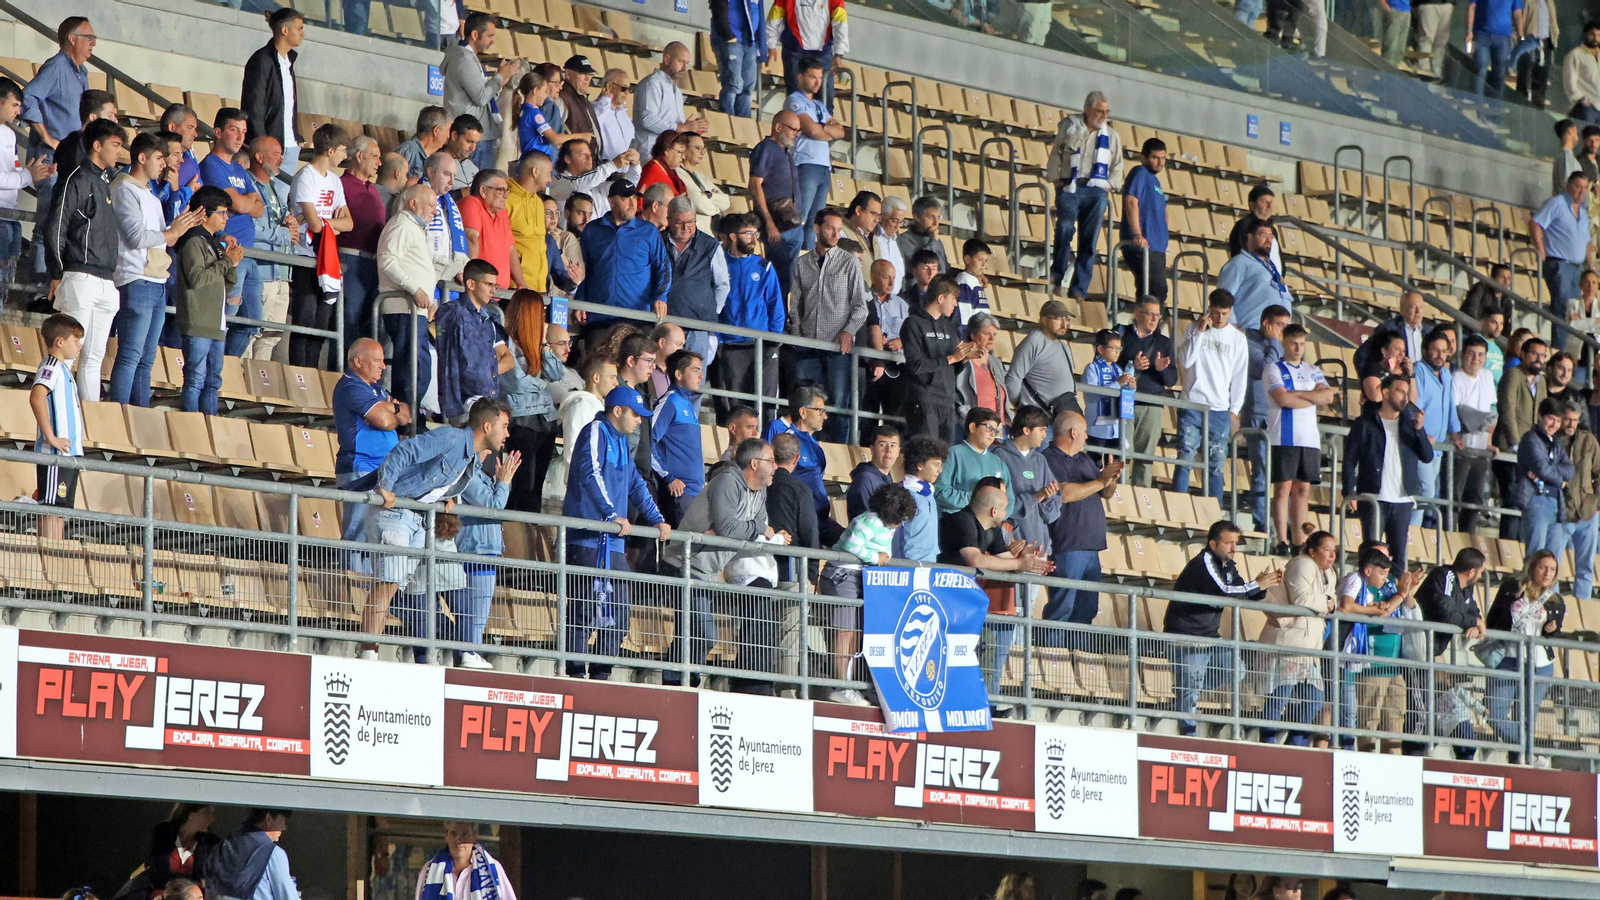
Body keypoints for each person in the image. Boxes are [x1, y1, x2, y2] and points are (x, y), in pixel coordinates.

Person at [369, 398, 514, 659]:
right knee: (388, 585)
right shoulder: (452, 438)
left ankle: (370, 651)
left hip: (417, 518)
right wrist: (386, 485)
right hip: (396, 511)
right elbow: (405, 452)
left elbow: (436, 478)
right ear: (488, 425)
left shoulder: (472, 458)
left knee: (398, 587)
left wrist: (446, 494)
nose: (507, 433)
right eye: (504, 426)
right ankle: (369, 653)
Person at [563, 385, 671, 678]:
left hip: (611, 543)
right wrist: (611, 514)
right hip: (587, 538)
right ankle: (574, 672)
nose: (639, 421)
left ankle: (601, 674)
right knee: (583, 612)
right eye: (636, 414)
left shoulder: (622, 441)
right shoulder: (595, 430)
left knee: (619, 616)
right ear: (618, 411)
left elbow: (636, 483)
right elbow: (590, 472)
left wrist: (657, 519)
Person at [664, 436, 788, 690]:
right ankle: (678, 684)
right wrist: (753, 528)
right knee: (703, 633)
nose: (776, 466)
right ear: (754, 463)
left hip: (707, 569)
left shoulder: (761, 491)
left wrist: (748, 529)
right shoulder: (727, 480)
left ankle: (680, 683)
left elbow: (749, 529)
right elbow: (732, 527)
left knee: (696, 633)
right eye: (772, 461)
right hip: (684, 562)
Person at [937, 477, 1051, 705]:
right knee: (982, 643)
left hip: (970, 602)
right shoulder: (960, 520)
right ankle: (973, 701)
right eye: (1005, 509)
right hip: (949, 600)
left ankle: (984, 702)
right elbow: (975, 559)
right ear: (993, 510)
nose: (1007, 514)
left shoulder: (992, 529)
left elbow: (1006, 560)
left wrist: (1027, 561)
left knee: (988, 644)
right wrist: (1019, 565)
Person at [109, 132, 201, 407]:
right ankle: (119, 414)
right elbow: (136, 237)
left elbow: (164, 235)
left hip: (157, 279)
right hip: (136, 277)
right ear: (141, 157)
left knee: (146, 358)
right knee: (130, 354)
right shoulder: (124, 189)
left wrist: (179, 228)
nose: (165, 165)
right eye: (159, 158)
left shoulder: (149, 193)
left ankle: (138, 414)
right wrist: (172, 232)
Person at [1167, 521, 1281, 736]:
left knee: (1235, 668)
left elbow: (1241, 591)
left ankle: (1190, 688)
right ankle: (1187, 734)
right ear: (1213, 543)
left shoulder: (1228, 565)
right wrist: (1257, 585)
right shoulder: (1204, 562)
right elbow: (1224, 592)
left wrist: (1264, 585)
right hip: (1186, 635)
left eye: (1236, 543)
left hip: (1209, 635)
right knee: (1190, 687)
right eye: (1228, 543)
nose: (1233, 548)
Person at [43, 118, 123, 402]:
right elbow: (55, 225)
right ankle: (57, 413)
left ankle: (87, 420)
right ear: (97, 145)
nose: (119, 152)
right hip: (80, 275)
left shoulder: (105, 182)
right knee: (67, 355)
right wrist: (57, 272)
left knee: (93, 358)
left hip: (105, 279)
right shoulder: (76, 178)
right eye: (115, 145)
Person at [821, 483, 919, 705]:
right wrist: (875, 558)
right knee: (844, 632)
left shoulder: (888, 526)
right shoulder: (868, 521)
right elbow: (853, 546)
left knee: (855, 633)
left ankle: (849, 683)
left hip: (861, 579)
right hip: (842, 576)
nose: (901, 522)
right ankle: (841, 685)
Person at [1038, 409, 1121, 646]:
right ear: (1073, 432)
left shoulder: (1083, 459)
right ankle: (1051, 659)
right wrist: (1100, 481)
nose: (1087, 437)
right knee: (1061, 608)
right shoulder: (1048, 459)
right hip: (1067, 546)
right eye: (1084, 432)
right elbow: (1063, 493)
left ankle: (1077, 664)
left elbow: (1104, 491)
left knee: (1086, 611)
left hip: (1092, 548)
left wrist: (1110, 479)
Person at [1343, 375, 1435, 572]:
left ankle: (1395, 599)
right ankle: (1369, 597)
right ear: (1385, 393)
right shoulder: (1364, 423)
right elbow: (1350, 460)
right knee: (1372, 553)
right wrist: (1348, 492)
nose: (1405, 397)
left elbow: (1427, 456)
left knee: (1399, 558)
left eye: (1407, 393)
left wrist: (1419, 430)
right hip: (1373, 496)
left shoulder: (1409, 425)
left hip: (1402, 499)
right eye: (1400, 391)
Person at [791, 207, 868, 441]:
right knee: (804, 403)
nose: (836, 234)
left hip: (837, 348)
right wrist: (795, 335)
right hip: (807, 347)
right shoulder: (801, 263)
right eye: (830, 228)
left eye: (839, 230)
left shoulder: (849, 263)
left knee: (838, 406)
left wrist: (848, 332)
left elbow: (860, 307)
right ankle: (805, 448)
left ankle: (839, 451)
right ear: (816, 229)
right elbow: (795, 304)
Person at [334, 339, 408, 572]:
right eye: (377, 361)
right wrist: (387, 412)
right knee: (357, 533)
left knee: (375, 533)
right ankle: (353, 586)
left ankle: (367, 589)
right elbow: (386, 423)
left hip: (384, 471)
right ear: (358, 361)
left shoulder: (375, 389)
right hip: (361, 467)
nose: (383, 366)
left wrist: (391, 408)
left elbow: (406, 415)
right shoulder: (350, 386)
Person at [1484, 550, 1563, 763]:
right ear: (1532, 567)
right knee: (1494, 712)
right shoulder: (1511, 589)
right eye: (1542, 567)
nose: (1547, 573)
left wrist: (1550, 629)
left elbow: (1555, 635)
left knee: (1527, 716)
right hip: (1509, 658)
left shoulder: (1556, 600)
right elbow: (1493, 620)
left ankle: (1519, 759)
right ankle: (1530, 751)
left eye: (1552, 570)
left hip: (1540, 664)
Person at [199, 109, 265, 361]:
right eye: (234, 130)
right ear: (218, 132)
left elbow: (259, 207)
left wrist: (243, 201)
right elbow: (237, 204)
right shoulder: (210, 165)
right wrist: (244, 202)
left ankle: (225, 365)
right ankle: (213, 365)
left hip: (249, 254)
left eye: (244, 132)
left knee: (252, 323)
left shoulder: (239, 170)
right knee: (223, 318)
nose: (240, 137)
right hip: (228, 254)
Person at [1258, 532, 1335, 746]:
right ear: (1312, 551)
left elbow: (1333, 601)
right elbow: (1301, 599)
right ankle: (1268, 742)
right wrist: (1327, 602)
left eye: (1334, 550)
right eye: (1326, 549)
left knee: (1315, 698)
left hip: (1309, 647)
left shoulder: (1328, 573)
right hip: (1289, 642)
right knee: (1279, 696)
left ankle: (1296, 743)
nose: (1332, 555)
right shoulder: (1302, 564)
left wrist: (1329, 602)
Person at [288, 123, 353, 368]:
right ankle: (299, 377)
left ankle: (313, 376)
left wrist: (324, 221)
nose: (345, 156)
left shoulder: (335, 182)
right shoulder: (305, 178)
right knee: (304, 321)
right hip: (306, 255)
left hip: (328, 258)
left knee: (321, 325)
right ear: (329, 151)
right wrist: (327, 223)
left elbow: (348, 223)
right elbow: (313, 226)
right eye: (343, 150)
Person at [1264, 322, 1334, 552]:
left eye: (1302, 344)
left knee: (1303, 491)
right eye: (1294, 343)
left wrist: (1300, 395)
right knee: (1283, 489)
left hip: (1309, 438)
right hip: (1284, 436)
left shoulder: (1312, 370)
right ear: (1284, 341)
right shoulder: (1274, 369)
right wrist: (1312, 397)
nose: (1298, 348)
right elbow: (1283, 399)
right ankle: (1282, 540)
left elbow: (1328, 397)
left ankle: (1299, 540)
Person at [1044, 91, 1120, 299]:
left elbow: (1117, 167)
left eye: (1106, 112)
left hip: (1096, 190)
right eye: (1099, 111)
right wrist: (1056, 180)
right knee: (1065, 228)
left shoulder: (1112, 136)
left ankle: (1079, 288)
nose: (1103, 115)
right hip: (1070, 186)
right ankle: (1056, 273)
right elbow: (1055, 153)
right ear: (1087, 110)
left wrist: (1108, 186)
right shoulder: (1069, 126)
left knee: (1089, 241)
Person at [174, 187, 243, 416]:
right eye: (222, 213)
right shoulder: (194, 242)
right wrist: (225, 264)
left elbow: (224, 285)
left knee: (213, 382)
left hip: (216, 323)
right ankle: (193, 431)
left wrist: (231, 264)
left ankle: (210, 428)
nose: (226, 218)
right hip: (199, 322)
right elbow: (197, 279)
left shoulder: (212, 242)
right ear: (205, 213)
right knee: (195, 380)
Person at [497, 295, 566, 511]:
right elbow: (515, 381)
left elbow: (556, 374)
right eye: (540, 312)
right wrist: (541, 385)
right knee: (523, 483)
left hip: (545, 420)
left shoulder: (538, 343)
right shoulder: (505, 340)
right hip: (520, 419)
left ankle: (530, 536)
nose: (543, 316)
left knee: (537, 486)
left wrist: (545, 342)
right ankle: (513, 533)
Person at [1176, 290, 1248, 497]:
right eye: (1215, 313)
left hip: (1219, 408)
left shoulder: (1238, 339)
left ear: (1230, 312)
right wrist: (1200, 331)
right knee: (1185, 456)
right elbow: (1186, 361)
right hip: (1192, 402)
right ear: (1209, 309)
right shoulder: (1193, 328)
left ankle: (1215, 510)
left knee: (1216, 463)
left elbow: (1239, 376)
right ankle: (1178, 501)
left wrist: (1233, 410)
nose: (1218, 319)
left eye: (1224, 314)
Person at [713, 213, 785, 416]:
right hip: (731, 343)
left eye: (756, 233)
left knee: (765, 402)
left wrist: (774, 338)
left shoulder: (764, 267)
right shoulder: (719, 265)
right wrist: (718, 339)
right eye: (748, 233)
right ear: (733, 236)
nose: (754, 239)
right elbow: (714, 306)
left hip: (762, 343)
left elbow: (775, 305)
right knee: (736, 403)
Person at [578, 179, 672, 323]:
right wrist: (580, 301)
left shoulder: (649, 231)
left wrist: (660, 297)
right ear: (611, 202)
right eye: (625, 198)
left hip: (638, 318)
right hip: (598, 317)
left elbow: (663, 269)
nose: (632, 203)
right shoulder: (592, 230)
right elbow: (584, 269)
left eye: (634, 198)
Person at [442, 13, 520, 172]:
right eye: (489, 36)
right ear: (475, 34)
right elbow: (481, 97)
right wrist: (499, 77)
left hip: (478, 133)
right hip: (472, 136)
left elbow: (484, 95)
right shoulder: (464, 59)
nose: (492, 41)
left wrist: (499, 82)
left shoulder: (468, 57)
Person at [30, 314, 83, 541]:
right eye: (75, 340)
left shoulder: (63, 369)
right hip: (54, 453)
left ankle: (56, 557)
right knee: (51, 507)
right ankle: (48, 556)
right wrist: (50, 436)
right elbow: (37, 397)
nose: (79, 345)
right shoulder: (51, 366)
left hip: (68, 452)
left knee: (60, 508)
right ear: (60, 341)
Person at [436, 259, 510, 425]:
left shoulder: (488, 318)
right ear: (470, 284)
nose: (493, 290)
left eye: (495, 286)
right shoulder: (451, 312)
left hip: (490, 399)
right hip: (464, 402)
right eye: (489, 284)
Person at [244, 136, 298, 360]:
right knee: (250, 333)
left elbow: (285, 221)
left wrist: (292, 224)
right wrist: (284, 234)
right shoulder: (248, 184)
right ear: (259, 157)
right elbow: (251, 227)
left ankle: (259, 385)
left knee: (271, 337)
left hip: (282, 273)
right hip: (261, 272)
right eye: (276, 154)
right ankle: (240, 385)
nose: (281, 159)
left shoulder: (275, 188)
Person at [900, 273, 971, 443]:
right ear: (940, 298)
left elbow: (953, 368)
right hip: (924, 399)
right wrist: (952, 358)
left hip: (947, 400)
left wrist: (965, 358)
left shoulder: (949, 327)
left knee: (944, 459)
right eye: (953, 298)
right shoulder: (913, 323)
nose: (955, 304)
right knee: (926, 454)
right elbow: (914, 365)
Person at [784, 57, 844, 249]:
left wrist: (821, 130)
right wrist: (825, 130)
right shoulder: (794, 100)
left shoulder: (819, 105)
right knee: (800, 216)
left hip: (823, 166)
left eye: (819, 78)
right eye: (812, 77)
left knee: (815, 222)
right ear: (800, 77)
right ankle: (793, 258)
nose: (818, 82)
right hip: (806, 163)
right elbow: (811, 130)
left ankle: (808, 259)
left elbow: (841, 132)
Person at [1531, 172, 1594, 351]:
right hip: (1559, 263)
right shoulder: (1557, 203)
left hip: (1577, 268)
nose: (1581, 191)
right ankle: (1559, 350)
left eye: (1584, 187)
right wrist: (1541, 250)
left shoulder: (1583, 212)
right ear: (1568, 186)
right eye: (1577, 186)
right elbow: (1535, 223)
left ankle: (1571, 353)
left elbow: (1586, 242)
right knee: (1563, 308)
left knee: (1576, 311)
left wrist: (1590, 266)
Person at [1117, 297, 1176, 487]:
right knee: (1122, 454)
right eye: (1150, 314)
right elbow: (1105, 363)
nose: (1154, 319)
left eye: (1157, 315)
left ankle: (1141, 499)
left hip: (1151, 406)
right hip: (1123, 401)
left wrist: (1161, 369)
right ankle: (1119, 494)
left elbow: (1171, 379)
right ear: (1136, 313)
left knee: (1145, 459)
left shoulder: (1164, 343)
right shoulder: (1120, 334)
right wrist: (1131, 365)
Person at [665, 195, 730, 362]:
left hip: (698, 327)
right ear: (669, 220)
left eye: (691, 222)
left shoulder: (710, 245)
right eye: (680, 223)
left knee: (693, 377)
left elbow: (723, 285)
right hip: (665, 324)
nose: (686, 227)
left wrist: (710, 311)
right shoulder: (658, 241)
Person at [0, 78, 52, 285]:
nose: (18, 112)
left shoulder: (9, 134)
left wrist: (35, 172)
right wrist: (27, 175)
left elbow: (10, 175)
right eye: (14, 105)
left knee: (6, 279)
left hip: (10, 215)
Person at [1496, 336, 1549, 538]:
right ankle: (1508, 549)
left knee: (1525, 505)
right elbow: (1507, 412)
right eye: (1534, 354)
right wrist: (1517, 445)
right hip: (1510, 450)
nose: (1539, 359)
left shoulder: (1541, 381)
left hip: (1530, 454)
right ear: (1523, 354)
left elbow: (1541, 417)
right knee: (1511, 501)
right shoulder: (1512, 375)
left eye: (1543, 355)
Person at [337, 135, 387, 350]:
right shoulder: (340, 185)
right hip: (349, 260)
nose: (379, 163)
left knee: (370, 323)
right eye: (375, 156)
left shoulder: (373, 189)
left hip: (372, 264)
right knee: (351, 321)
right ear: (359, 156)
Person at [1243, 305, 1288, 536]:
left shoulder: (1282, 345)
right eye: (1280, 325)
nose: (1283, 331)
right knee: (1261, 469)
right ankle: (1262, 523)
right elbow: (1264, 368)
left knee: (1284, 474)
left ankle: (1284, 525)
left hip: (1279, 415)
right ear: (1266, 323)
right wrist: (1274, 343)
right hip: (1256, 413)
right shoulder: (1248, 341)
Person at [748, 111, 804, 293]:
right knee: (778, 277)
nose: (796, 134)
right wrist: (769, 223)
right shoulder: (765, 147)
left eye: (798, 130)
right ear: (778, 127)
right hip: (777, 226)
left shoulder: (786, 152)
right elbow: (755, 186)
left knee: (788, 279)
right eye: (793, 129)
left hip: (792, 224)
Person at [1411, 328, 1461, 527]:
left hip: (1438, 446)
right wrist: (1422, 434)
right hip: (1421, 443)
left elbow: (1450, 405)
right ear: (1424, 351)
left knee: (1429, 495)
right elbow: (1416, 406)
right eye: (1435, 350)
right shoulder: (1418, 370)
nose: (1440, 355)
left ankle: (1417, 534)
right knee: (1426, 491)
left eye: (1444, 351)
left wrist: (1455, 433)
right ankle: (1411, 533)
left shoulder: (1446, 374)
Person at [240, 8, 303, 165]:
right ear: (284, 30)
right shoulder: (262, 60)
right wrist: (264, 142)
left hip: (290, 147)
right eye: (300, 29)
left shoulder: (289, 61)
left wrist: (296, 136)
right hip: (269, 148)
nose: (303, 33)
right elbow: (254, 106)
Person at [114, 805, 218, 900]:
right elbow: (158, 870)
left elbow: (203, 880)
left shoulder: (210, 842)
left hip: (189, 895)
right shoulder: (163, 832)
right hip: (159, 893)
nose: (212, 819)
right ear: (191, 814)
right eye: (206, 813)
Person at [650, 349, 706, 525]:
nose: (702, 376)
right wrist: (669, 477)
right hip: (680, 494)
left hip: (695, 493)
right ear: (678, 374)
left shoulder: (687, 404)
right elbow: (647, 444)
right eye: (696, 370)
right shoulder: (670, 402)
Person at [551, 355, 618, 496]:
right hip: (584, 489)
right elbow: (573, 448)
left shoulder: (600, 406)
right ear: (596, 378)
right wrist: (582, 485)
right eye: (612, 377)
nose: (616, 383)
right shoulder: (582, 406)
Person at [1515, 398, 1574, 552]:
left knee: (1552, 557)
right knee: (1535, 555)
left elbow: (1570, 470)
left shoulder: (1557, 442)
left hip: (1556, 503)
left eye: (1558, 420)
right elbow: (1542, 468)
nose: (1554, 424)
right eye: (1550, 418)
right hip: (1536, 500)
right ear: (1540, 416)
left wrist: (1550, 470)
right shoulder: (1530, 439)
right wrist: (1560, 482)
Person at [1555, 401, 1600, 601]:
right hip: (1562, 512)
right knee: (1552, 563)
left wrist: (1596, 502)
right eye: (1567, 419)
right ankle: (1553, 608)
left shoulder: (1588, 441)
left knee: (1585, 566)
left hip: (1587, 512)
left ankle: (1583, 609)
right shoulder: (1552, 441)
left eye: (1575, 420)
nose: (1571, 424)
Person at [1217, 218, 1294, 337]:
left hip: (1278, 335)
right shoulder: (1239, 263)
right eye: (1263, 235)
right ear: (1250, 237)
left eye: (1271, 236)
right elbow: (1222, 298)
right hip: (1251, 332)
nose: (1268, 240)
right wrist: (1233, 326)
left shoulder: (1272, 266)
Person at [767, 0, 848, 109]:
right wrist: (771, 45)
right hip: (794, 50)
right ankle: (798, 123)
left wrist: (839, 53)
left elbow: (841, 24)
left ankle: (823, 123)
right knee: (795, 93)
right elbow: (774, 19)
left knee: (826, 95)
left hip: (823, 52)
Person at [1454, 335, 1498, 533]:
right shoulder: (1456, 377)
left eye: (1481, 355)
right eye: (1471, 354)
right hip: (1461, 447)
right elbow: (1458, 412)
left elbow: (1490, 413)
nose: (1475, 359)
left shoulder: (1487, 376)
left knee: (1475, 499)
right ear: (1463, 355)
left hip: (1480, 448)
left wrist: (1488, 440)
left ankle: (1467, 540)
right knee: (1455, 497)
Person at [633, 42, 708, 158]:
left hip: (669, 153)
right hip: (650, 152)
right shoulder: (652, 83)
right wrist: (681, 127)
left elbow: (677, 125)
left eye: (687, 63)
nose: (684, 68)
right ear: (666, 59)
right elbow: (647, 119)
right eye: (680, 62)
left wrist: (693, 126)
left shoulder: (677, 91)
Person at [1006, 300, 1079, 418]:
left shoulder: (1063, 346)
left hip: (1060, 415)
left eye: (1066, 319)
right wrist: (1022, 408)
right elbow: (1013, 378)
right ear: (1044, 320)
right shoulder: (1034, 342)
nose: (1064, 324)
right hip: (1039, 417)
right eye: (1058, 319)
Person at [205, 810, 294, 900]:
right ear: (268, 819)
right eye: (283, 821)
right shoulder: (273, 853)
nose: (284, 827)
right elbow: (287, 896)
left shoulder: (223, 847)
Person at [935, 407, 1011, 513]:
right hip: (958, 519)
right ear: (972, 427)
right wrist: (978, 499)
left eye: (995, 430)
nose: (993, 434)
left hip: (990, 524)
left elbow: (1010, 499)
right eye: (989, 428)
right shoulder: (953, 454)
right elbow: (940, 491)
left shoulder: (997, 461)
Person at [1120, 137, 1169, 300]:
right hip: (1143, 245)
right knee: (1153, 290)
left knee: (1155, 291)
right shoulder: (1139, 173)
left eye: (1163, 158)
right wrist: (1137, 234)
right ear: (1143, 157)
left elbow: (1163, 211)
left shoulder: (1156, 181)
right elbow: (1131, 202)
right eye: (1155, 157)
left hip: (1157, 247)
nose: (1160, 163)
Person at [414, 821, 517, 900]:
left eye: (464, 834)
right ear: (446, 835)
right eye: (454, 834)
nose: (459, 840)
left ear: (475, 835)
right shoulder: (428, 870)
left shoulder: (493, 868)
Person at [768, 432, 821, 583]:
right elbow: (809, 532)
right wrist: (812, 575)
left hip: (758, 568)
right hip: (791, 573)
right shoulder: (800, 490)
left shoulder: (757, 482)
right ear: (797, 458)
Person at [459, 169, 521, 291]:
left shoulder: (502, 213)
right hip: (476, 290)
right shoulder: (471, 202)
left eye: (506, 191)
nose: (506, 195)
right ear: (483, 191)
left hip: (498, 293)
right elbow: (471, 238)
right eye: (501, 190)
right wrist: (471, 277)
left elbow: (511, 249)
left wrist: (521, 284)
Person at [505, 150, 554, 298]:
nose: (550, 179)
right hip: (516, 287)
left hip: (540, 286)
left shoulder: (539, 202)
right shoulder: (506, 199)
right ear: (535, 172)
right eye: (548, 173)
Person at [515, 70, 591, 161]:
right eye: (545, 91)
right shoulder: (534, 113)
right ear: (535, 91)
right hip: (537, 160)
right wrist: (581, 136)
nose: (546, 96)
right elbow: (554, 138)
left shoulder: (525, 110)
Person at [711, 0, 769, 117]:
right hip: (732, 41)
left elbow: (760, 16)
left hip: (750, 42)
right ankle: (727, 122)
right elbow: (718, 6)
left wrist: (762, 47)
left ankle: (742, 126)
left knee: (747, 88)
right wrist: (728, 36)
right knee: (733, 85)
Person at [956, 312, 1010, 424]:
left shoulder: (996, 362)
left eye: (994, 335)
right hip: (971, 424)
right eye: (987, 334)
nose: (991, 339)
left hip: (997, 426)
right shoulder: (962, 359)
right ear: (973, 335)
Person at [1466, 0, 1525, 97]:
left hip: (1503, 37)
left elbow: (1517, 13)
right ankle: (1478, 104)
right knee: (1480, 70)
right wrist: (1469, 31)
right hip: (1482, 34)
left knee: (1499, 74)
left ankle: (1495, 106)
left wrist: (1521, 35)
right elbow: (1472, 7)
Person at [678, 133, 730, 235]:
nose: (702, 152)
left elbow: (726, 202)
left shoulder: (702, 177)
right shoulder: (678, 172)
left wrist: (709, 196)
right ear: (684, 149)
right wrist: (716, 208)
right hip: (694, 232)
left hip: (709, 232)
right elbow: (699, 202)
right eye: (698, 148)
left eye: (703, 149)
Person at [846, 425, 899, 520]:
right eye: (882, 445)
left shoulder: (887, 477)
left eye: (893, 446)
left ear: (898, 451)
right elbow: (864, 521)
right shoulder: (864, 479)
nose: (889, 450)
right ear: (872, 449)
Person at [1227, 185, 1283, 267]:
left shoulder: (1272, 229)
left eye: (1271, 202)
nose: (1269, 206)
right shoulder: (1244, 226)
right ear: (1252, 205)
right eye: (1264, 202)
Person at [898, 196, 949, 285]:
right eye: (931, 217)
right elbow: (918, 267)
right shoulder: (904, 240)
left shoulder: (936, 240)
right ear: (917, 217)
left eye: (938, 217)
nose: (936, 223)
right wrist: (933, 241)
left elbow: (945, 268)